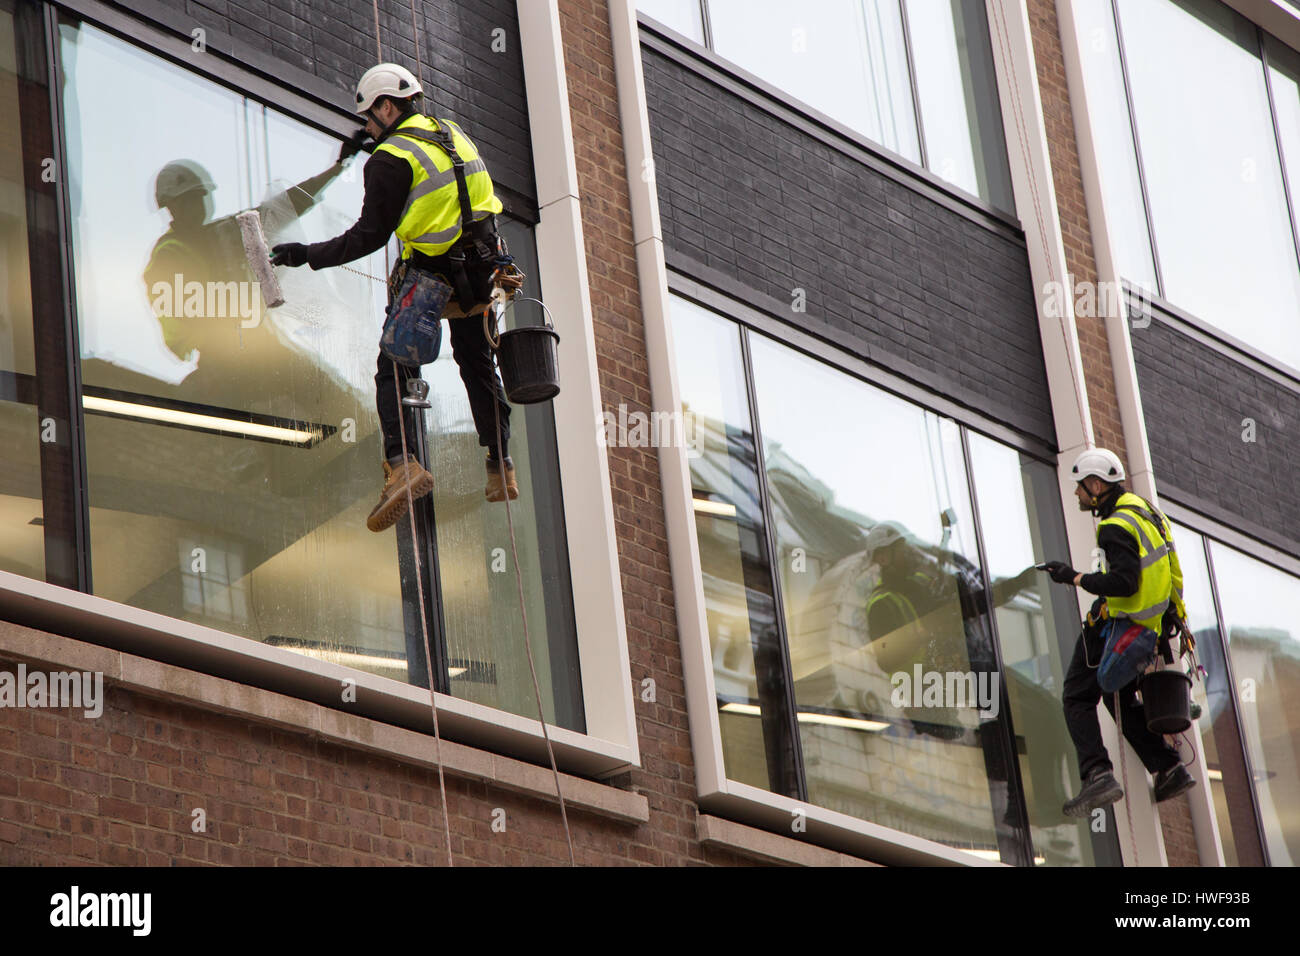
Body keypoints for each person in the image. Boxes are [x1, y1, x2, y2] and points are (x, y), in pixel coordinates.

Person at [270, 63, 520, 533]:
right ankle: (499, 462)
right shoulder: (450, 132)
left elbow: (368, 236)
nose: (365, 125)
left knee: (395, 365)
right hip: (483, 267)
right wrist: (375, 145)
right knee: (476, 361)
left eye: (369, 115)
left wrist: (307, 253)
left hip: (435, 275)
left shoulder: (387, 161)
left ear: (388, 106)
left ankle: (403, 464)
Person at [1041, 448, 1196, 818]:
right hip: (1145, 627)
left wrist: (1075, 577)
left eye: (1081, 487)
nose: (1078, 494)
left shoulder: (1114, 526)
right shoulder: (1147, 513)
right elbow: (1171, 572)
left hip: (1114, 627)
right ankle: (1168, 767)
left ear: (1096, 485)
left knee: (1077, 696)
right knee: (1119, 698)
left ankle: (1097, 774)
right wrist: (1170, 621)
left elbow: (1124, 583)